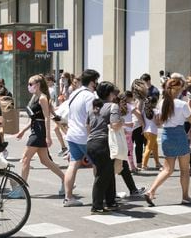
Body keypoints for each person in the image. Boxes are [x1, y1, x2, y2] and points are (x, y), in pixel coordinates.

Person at [144, 78, 191, 207]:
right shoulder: (182, 104)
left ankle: (151, 191)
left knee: (167, 169)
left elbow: (159, 123)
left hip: (166, 135)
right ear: (178, 89)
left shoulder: (162, 102)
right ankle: (185, 197)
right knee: (185, 170)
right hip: (179, 135)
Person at [15, 74, 65, 197]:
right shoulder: (35, 97)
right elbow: (35, 118)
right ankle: (66, 179)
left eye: (30, 84)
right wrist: (23, 130)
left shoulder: (42, 98)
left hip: (39, 131)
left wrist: (48, 136)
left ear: (37, 85)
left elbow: (47, 117)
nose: (29, 86)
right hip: (35, 129)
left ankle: (22, 189)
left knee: (26, 159)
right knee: (45, 161)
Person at [62, 69, 99, 207]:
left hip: (72, 135)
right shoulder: (89, 96)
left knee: (73, 164)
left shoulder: (74, 93)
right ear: (91, 82)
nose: (96, 84)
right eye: (96, 81)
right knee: (98, 165)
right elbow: (92, 118)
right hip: (85, 136)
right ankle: (100, 195)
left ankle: (68, 197)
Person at [86, 81, 121, 214]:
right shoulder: (113, 106)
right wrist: (122, 121)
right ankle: (97, 205)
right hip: (104, 143)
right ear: (109, 93)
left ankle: (111, 201)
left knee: (108, 172)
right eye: (113, 92)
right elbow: (115, 124)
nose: (115, 95)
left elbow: (88, 127)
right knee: (102, 175)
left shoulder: (92, 108)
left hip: (91, 143)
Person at [131, 79, 147, 171]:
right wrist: (143, 124)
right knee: (139, 145)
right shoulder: (140, 99)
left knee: (130, 145)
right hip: (138, 124)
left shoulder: (133, 97)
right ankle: (139, 164)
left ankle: (131, 163)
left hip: (132, 124)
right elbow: (139, 112)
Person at [142, 96, 162, 170]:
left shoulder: (144, 111)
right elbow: (157, 123)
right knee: (149, 148)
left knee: (155, 147)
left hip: (146, 131)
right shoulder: (156, 111)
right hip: (153, 131)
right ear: (154, 103)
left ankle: (157, 163)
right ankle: (144, 164)